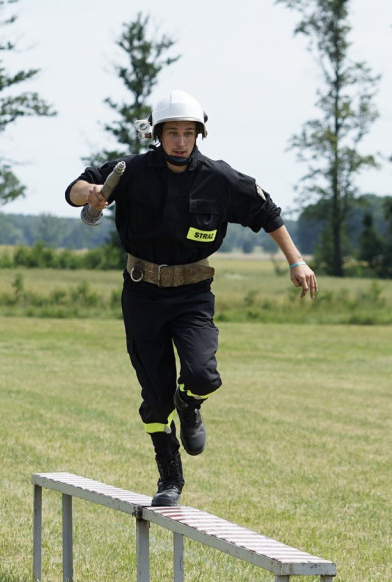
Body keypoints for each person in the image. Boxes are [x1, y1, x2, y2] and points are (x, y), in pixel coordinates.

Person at [65, 89, 318, 507]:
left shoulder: (219, 179)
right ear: (157, 134)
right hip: (142, 294)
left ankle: (191, 402)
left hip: (192, 295)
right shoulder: (130, 171)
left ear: (199, 134)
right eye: (172, 133)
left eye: (189, 133)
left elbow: (267, 212)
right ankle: (169, 475)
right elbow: (76, 188)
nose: (181, 141)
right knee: (154, 395)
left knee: (202, 373)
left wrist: (297, 262)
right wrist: (90, 193)